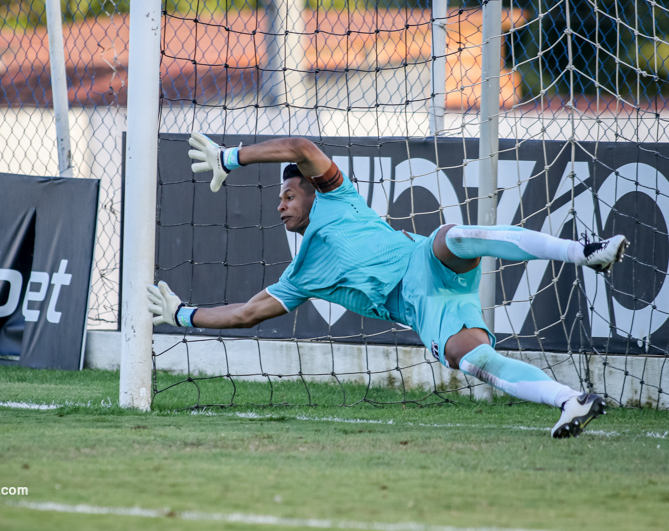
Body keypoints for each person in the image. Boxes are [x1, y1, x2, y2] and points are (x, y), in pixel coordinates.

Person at [147, 132, 629, 438]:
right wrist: (182, 315)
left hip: (427, 263)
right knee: (476, 360)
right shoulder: (300, 276)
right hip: (425, 313)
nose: (280, 205)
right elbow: (247, 313)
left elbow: (300, 149)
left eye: (288, 194)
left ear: (312, 190)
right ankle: (570, 400)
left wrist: (231, 157)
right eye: (279, 199)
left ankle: (584, 252)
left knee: (455, 236)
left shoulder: (339, 197)